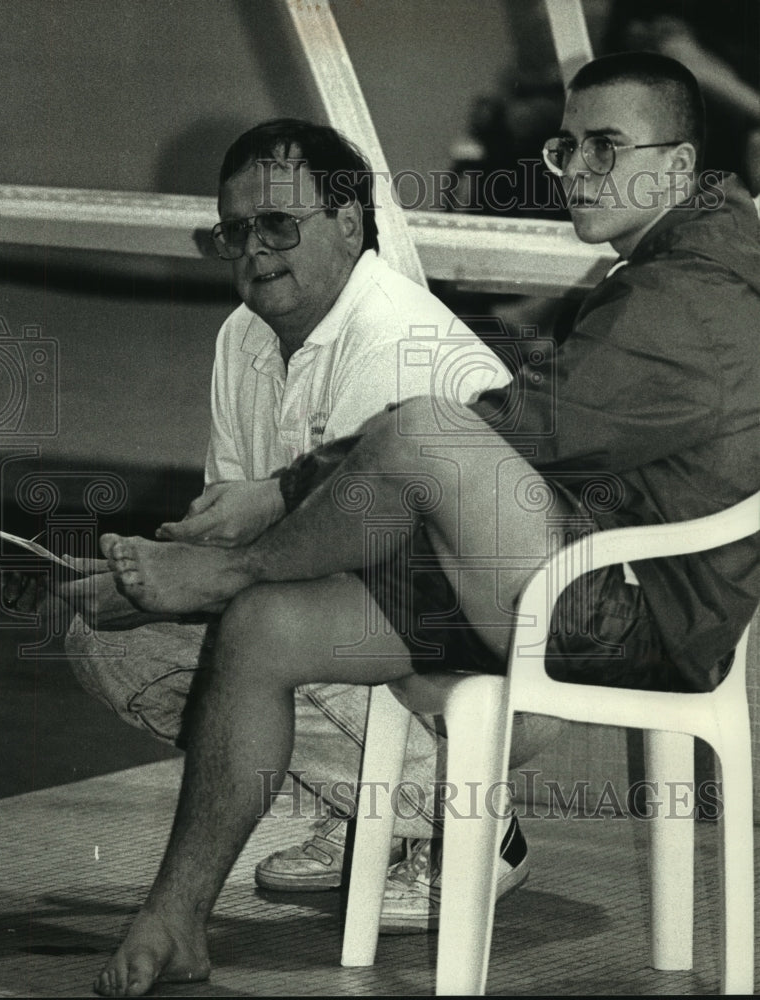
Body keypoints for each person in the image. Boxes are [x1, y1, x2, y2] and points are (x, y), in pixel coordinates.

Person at [94, 52, 760, 995]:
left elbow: (533, 429)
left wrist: (282, 502)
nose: (575, 169)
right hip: (580, 577)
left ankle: (232, 579)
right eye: (568, 145)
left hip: (636, 617)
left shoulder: (702, 294)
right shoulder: (674, 269)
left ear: (681, 169)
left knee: (425, 430)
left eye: (607, 147)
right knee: (266, 632)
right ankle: (178, 912)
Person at [54, 119, 536, 930]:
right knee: (105, 638)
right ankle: (368, 820)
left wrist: (192, 585)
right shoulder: (242, 337)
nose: (255, 250)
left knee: (265, 626)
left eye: (279, 224)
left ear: (350, 220)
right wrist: (146, 577)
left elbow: (352, 566)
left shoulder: (396, 340)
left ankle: (474, 822)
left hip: (474, 651)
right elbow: (237, 531)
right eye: (234, 232)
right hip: (360, 620)